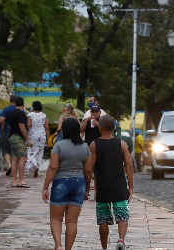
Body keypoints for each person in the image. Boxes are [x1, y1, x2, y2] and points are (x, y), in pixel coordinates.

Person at [41, 118, 91, 250]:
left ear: (65, 130)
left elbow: (53, 167)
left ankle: (58, 246)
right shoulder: (85, 147)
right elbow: (88, 170)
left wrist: (45, 187)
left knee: (56, 218)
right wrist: (87, 188)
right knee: (72, 221)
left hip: (61, 183)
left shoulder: (59, 145)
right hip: (79, 183)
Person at [86, 115, 134, 250]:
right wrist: (130, 186)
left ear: (99, 127)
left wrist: (88, 188)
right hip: (119, 185)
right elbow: (129, 165)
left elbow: (89, 169)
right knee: (122, 215)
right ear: (114, 128)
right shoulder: (122, 144)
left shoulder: (94, 145)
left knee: (103, 219)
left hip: (102, 186)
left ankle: (104, 247)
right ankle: (121, 239)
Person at [7, 96, 31, 188]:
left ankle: (14, 181)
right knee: (23, 158)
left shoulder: (12, 113)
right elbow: (22, 126)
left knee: (14, 159)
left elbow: (9, 127)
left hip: (12, 137)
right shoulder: (21, 113)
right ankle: (21, 180)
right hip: (18, 138)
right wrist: (27, 139)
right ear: (23, 104)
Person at [25, 101, 49, 177]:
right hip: (42, 135)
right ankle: (37, 166)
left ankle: (35, 165)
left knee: (30, 152)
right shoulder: (43, 115)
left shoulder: (30, 115)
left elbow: (28, 125)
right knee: (39, 152)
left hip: (33, 135)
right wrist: (48, 139)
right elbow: (47, 128)